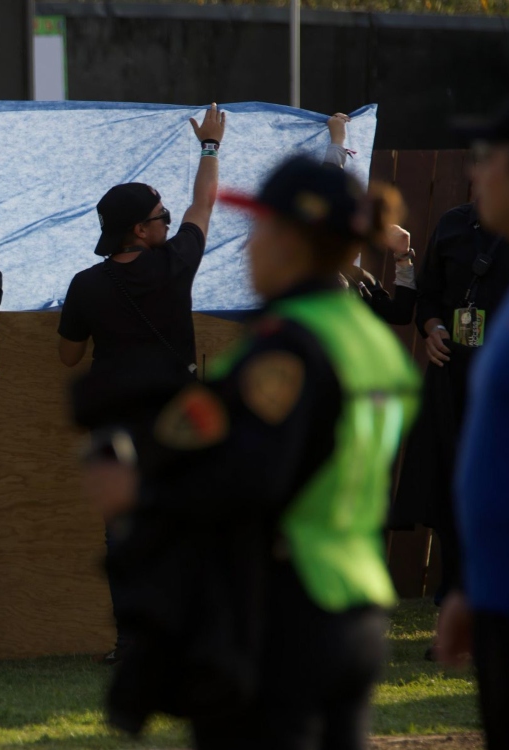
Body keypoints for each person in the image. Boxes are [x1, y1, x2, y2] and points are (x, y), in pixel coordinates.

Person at [83, 156, 419, 749]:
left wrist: (137, 491)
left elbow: (250, 478)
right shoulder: (367, 336)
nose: (249, 249)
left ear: (292, 241)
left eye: (259, 231)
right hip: (357, 599)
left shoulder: (286, 346)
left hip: (284, 610)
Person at [58, 103, 226, 664]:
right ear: (139, 229)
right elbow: (205, 203)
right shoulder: (175, 263)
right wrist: (208, 146)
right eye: (160, 215)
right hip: (179, 415)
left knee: (124, 533)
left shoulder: (85, 284)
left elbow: (67, 355)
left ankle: (132, 641)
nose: (169, 220)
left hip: (115, 418)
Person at [392, 186, 509, 614]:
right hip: (451, 377)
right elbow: (427, 295)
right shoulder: (451, 225)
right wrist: (432, 329)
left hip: (504, 384)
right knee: (448, 488)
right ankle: (453, 597)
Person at [437, 99, 509, 750]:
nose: (476, 173)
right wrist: (471, 588)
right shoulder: (455, 234)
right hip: (496, 595)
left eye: (487, 159)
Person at [323, 113, 418, 325]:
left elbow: (400, 314)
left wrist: (403, 258)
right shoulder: (308, 278)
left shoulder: (359, 279)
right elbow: (325, 193)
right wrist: (337, 142)